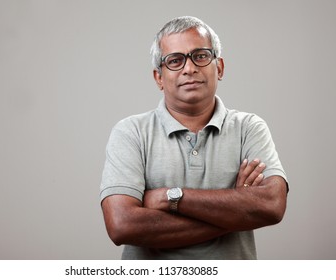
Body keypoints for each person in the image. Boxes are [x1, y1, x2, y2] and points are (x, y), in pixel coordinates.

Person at [100, 16, 288, 259]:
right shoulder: (131, 132)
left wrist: (172, 197)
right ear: (159, 77)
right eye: (175, 60)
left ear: (218, 67)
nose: (189, 68)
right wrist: (237, 210)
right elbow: (121, 225)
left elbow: (272, 206)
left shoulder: (249, 128)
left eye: (200, 56)